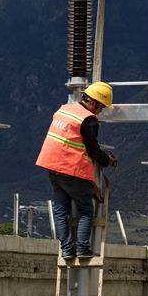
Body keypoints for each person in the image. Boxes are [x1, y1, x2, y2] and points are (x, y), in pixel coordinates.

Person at [35, 81, 118, 260]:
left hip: (52, 166)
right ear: (94, 103)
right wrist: (106, 160)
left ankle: (66, 250)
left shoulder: (64, 109)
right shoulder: (87, 119)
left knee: (60, 211)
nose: (100, 112)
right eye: (101, 108)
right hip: (71, 168)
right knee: (86, 210)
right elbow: (92, 149)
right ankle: (82, 249)